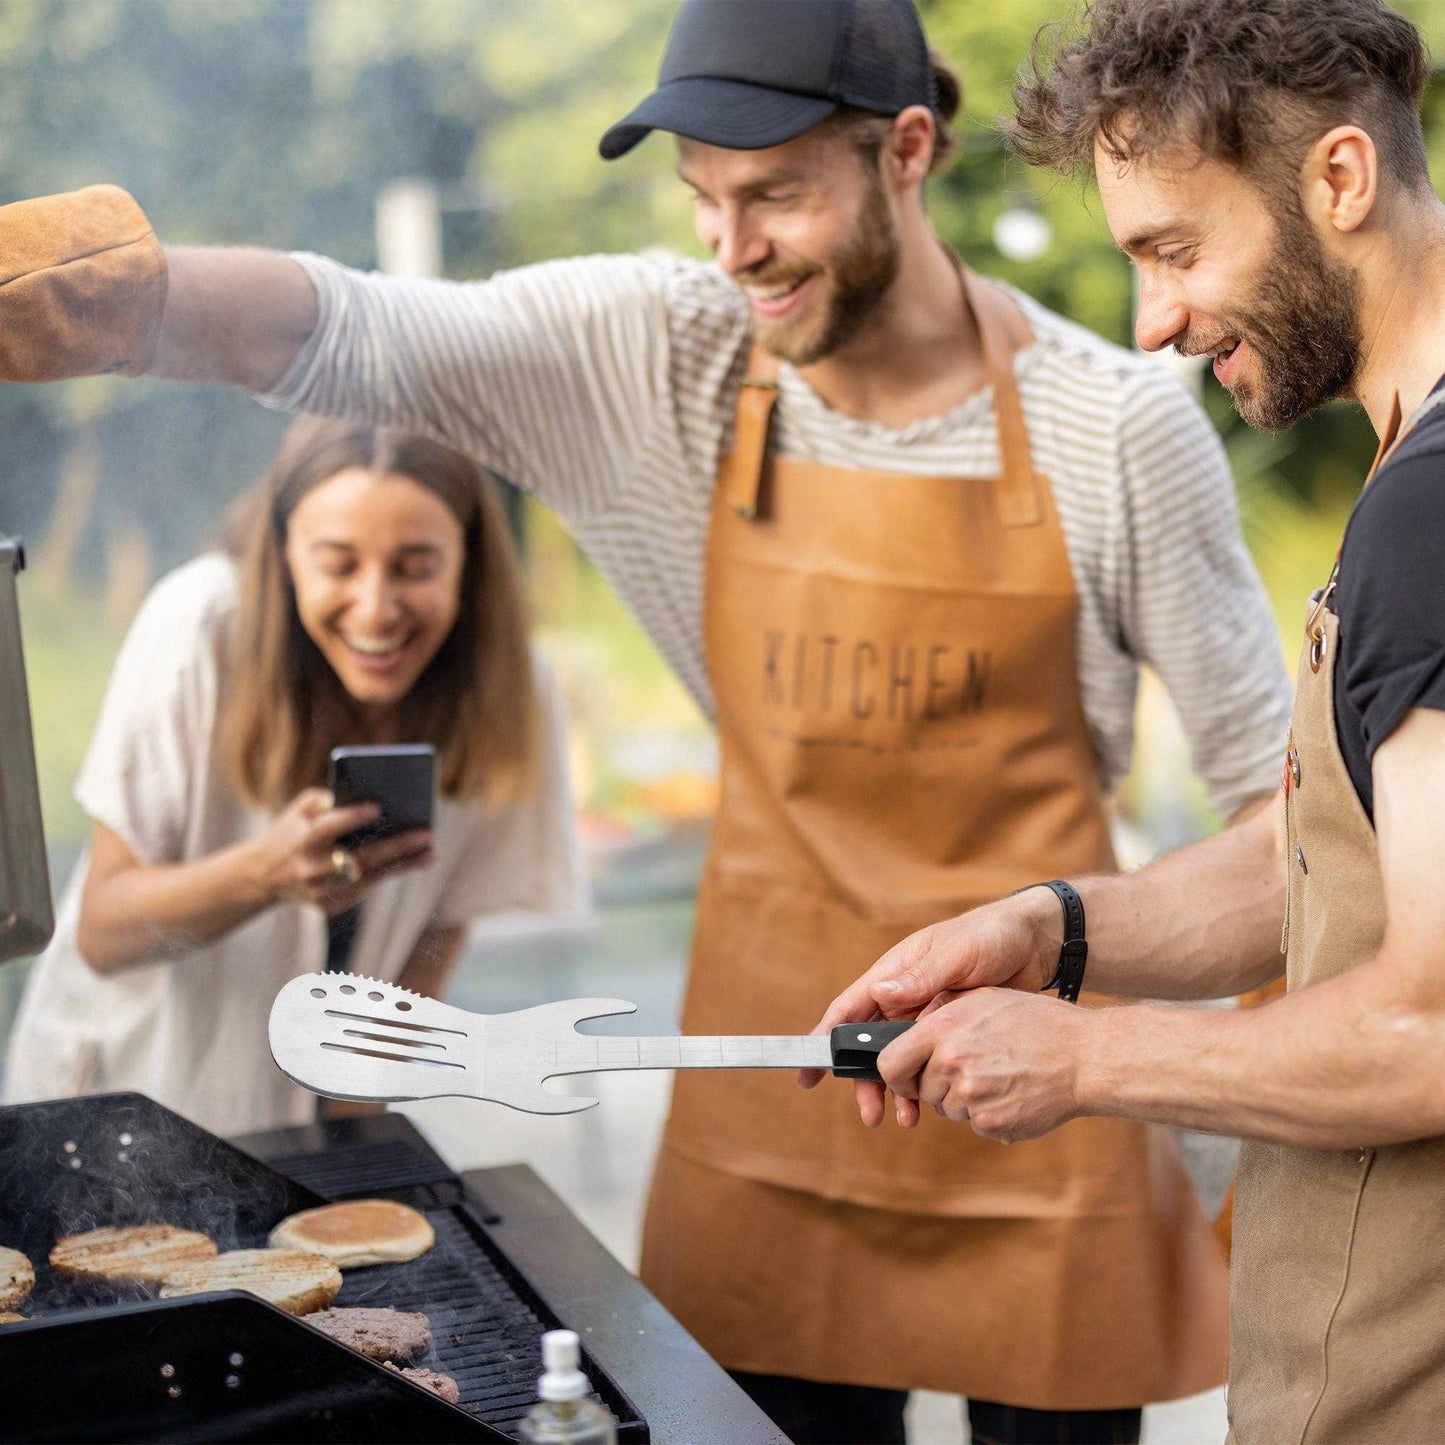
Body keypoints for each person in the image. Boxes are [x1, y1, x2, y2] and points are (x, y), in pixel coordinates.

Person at [0, 2, 1292, 1439]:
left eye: (775, 194)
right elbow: (357, 329)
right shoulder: (664, 355)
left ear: (907, 151)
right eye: (702, 197)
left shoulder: (1113, 428)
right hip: (768, 1097)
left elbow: (1275, 801)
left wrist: (1247, 1115)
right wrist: (133, 298)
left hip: (1035, 1100)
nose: (733, 247)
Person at [812, 0, 1445, 1439]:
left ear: (1339, 179)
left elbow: (1429, 1026)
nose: (1152, 322)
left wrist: (1086, 1060)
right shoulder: (1409, 462)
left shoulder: (1433, 513)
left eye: (1173, 250)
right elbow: (1318, 856)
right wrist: (1049, 933)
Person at [3, 416, 585, 1139]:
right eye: (338, 565)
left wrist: (354, 1125)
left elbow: (440, 930)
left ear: (468, 562)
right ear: (282, 555)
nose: (376, 608)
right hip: (119, 1111)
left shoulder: (512, 687)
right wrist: (263, 874)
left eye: (415, 568)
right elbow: (102, 932)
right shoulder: (199, 626)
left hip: (300, 1127)